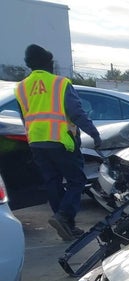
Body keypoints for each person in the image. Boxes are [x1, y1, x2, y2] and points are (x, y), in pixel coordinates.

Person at [15, 44, 101, 241]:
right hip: (61, 142)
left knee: (52, 182)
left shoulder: (21, 87)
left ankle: (66, 227)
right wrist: (94, 134)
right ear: (48, 63)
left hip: (36, 142)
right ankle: (63, 216)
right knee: (76, 180)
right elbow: (77, 113)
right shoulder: (60, 84)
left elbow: (24, 117)